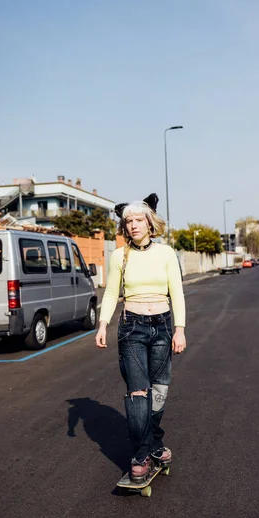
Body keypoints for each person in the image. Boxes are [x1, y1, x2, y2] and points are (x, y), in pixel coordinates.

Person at [95, 193, 186, 483]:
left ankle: (155, 440)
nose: (133, 225)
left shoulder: (167, 254)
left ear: (149, 223)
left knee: (159, 391)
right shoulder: (118, 256)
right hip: (131, 327)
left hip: (162, 325)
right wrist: (102, 324)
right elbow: (111, 293)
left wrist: (179, 329)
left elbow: (177, 293)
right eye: (128, 222)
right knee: (138, 394)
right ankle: (142, 453)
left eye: (138, 220)